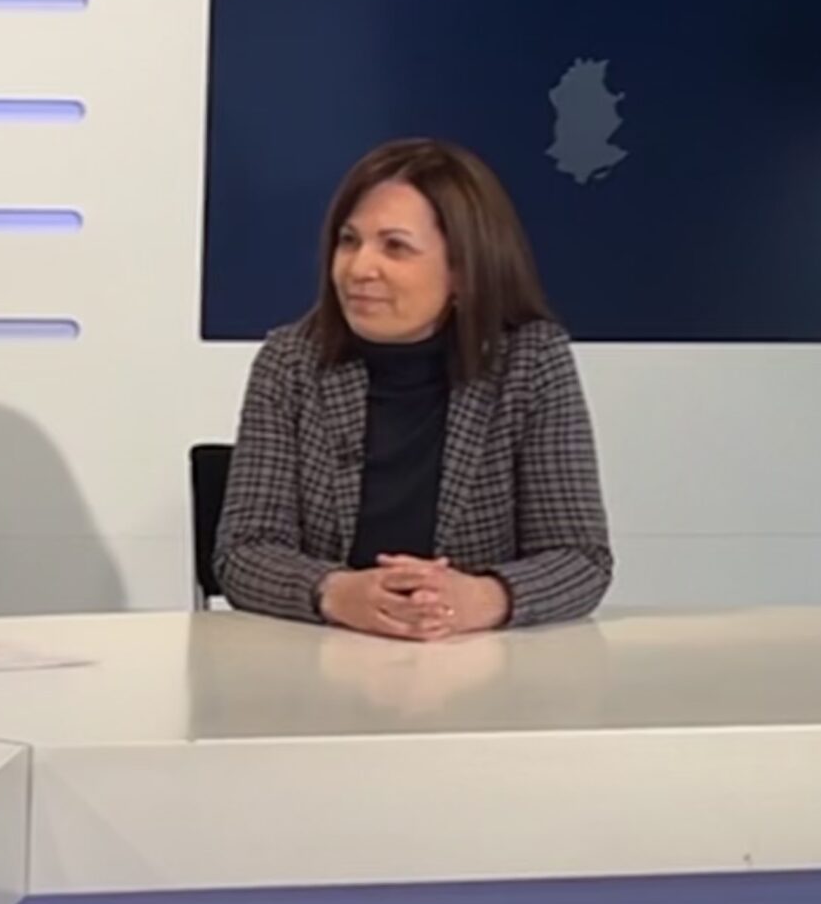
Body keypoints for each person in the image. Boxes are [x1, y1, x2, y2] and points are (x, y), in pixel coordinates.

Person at [213, 137, 611, 637]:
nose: (358, 269)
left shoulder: (530, 362)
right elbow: (243, 551)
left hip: (476, 663)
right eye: (349, 241)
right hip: (324, 656)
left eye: (395, 247)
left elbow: (581, 558)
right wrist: (335, 592)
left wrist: (482, 597)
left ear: (463, 270)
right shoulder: (291, 362)